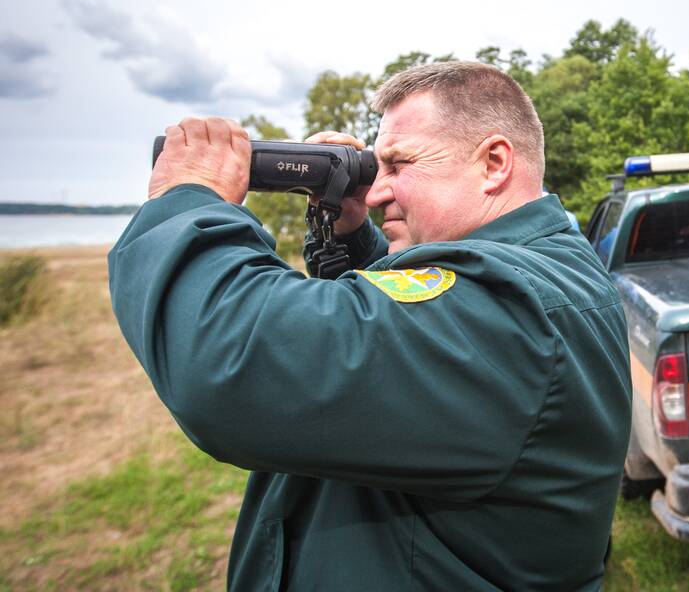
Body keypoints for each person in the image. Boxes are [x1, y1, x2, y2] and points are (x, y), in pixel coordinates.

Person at [108, 61, 632, 590]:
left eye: (399, 165)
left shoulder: (513, 311)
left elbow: (227, 356)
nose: (378, 191)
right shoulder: (541, 271)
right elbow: (405, 312)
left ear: (494, 163)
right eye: (372, 169)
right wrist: (348, 231)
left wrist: (190, 199)